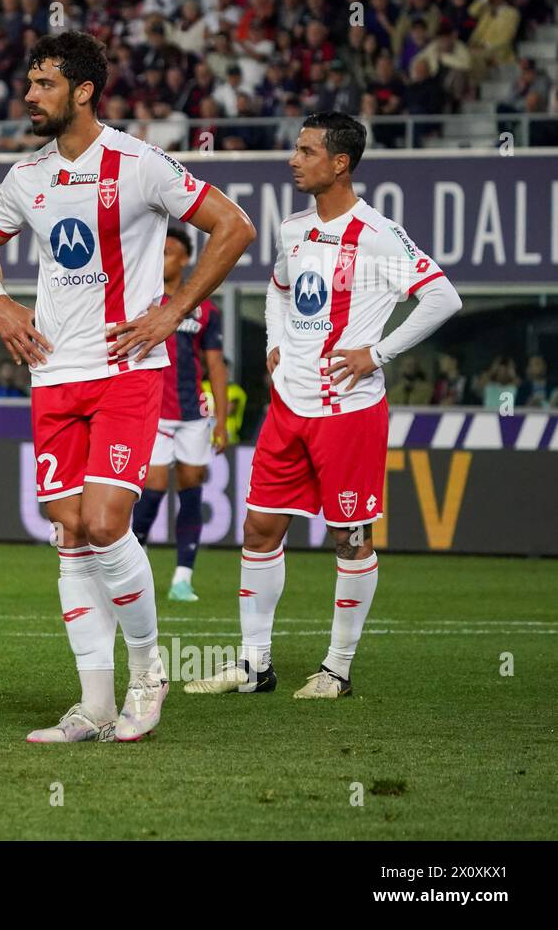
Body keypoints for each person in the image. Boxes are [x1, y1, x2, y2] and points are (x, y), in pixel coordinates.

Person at [0, 30, 255, 744]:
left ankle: (149, 671)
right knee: (69, 533)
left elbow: (234, 226)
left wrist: (175, 309)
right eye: (29, 83)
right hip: (53, 375)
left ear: (84, 91)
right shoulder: (25, 177)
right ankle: (94, 705)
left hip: (126, 370)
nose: (29, 96)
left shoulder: (139, 164)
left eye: (44, 84)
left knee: (103, 524)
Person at [186, 112, 462, 700]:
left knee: (351, 537)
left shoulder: (378, 236)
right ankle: (255, 666)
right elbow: (279, 290)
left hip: (349, 411)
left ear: (340, 162)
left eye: (307, 151)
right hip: (289, 406)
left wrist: (377, 352)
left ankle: (336, 669)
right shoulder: (292, 229)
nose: (293, 159)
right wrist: (275, 343)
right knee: (259, 527)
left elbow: (442, 296)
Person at [131, 227, 229, 603]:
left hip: (192, 415)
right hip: (152, 413)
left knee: (191, 492)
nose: (162, 257)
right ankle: (131, 576)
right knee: (152, 491)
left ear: (186, 259)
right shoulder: (142, 302)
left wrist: (220, 419)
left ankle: (182, 578)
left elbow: (215, 366)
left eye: (170, 251)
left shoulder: (204, 309)